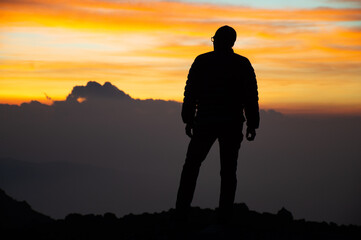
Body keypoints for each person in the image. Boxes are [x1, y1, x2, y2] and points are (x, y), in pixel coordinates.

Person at [175, 25, 260, 224]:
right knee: (228, 171)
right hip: (231, 124)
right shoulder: (242, 64)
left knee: (191, 167)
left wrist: (188, 118)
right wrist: (252, 124)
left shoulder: (202, 61)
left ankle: (181, 214)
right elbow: (250, 97)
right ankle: (224, 219)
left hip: (205, 121)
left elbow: (190, 93)